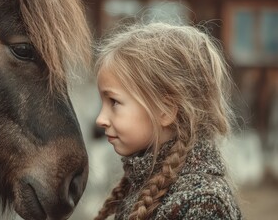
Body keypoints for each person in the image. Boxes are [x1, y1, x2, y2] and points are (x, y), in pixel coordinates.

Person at [94, 21, 242, 220]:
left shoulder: (204, 202)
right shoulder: (144, 182)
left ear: (165, 111)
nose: (100, 119)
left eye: (114, 102)